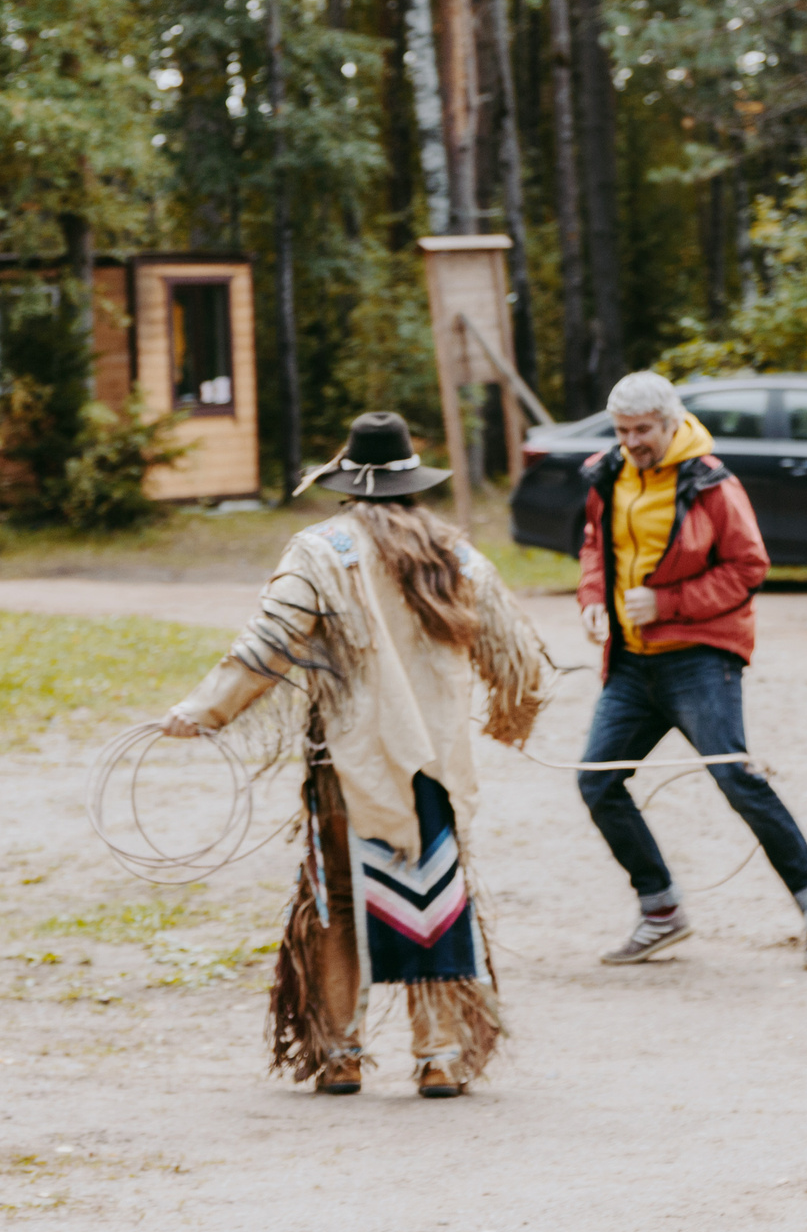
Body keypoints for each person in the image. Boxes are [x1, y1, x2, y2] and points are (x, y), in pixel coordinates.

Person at [162, 412, 549, 1098]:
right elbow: (517, 655)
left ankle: (338, 1052)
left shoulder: (320, 550)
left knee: (336, 898)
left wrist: (205, 708)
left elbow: (270, 639)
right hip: (433, 765)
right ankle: (442, 1056)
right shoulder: (455, 554)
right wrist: (509, 718)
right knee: (435, 892)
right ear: (411, 482)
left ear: (349, 483)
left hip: (350, 762)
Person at [574, 371, 807, 970]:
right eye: (622, 431)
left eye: (643, 430)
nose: (632, 442)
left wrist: (666, 603)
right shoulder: (608, 475)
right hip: (632, 663)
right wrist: (592, 597)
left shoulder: (711, 483)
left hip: (699, 658)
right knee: (597, 781)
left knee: (736, 779)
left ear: (671, 423)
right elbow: (595, 544)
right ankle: (662, 911)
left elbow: (749, 567)